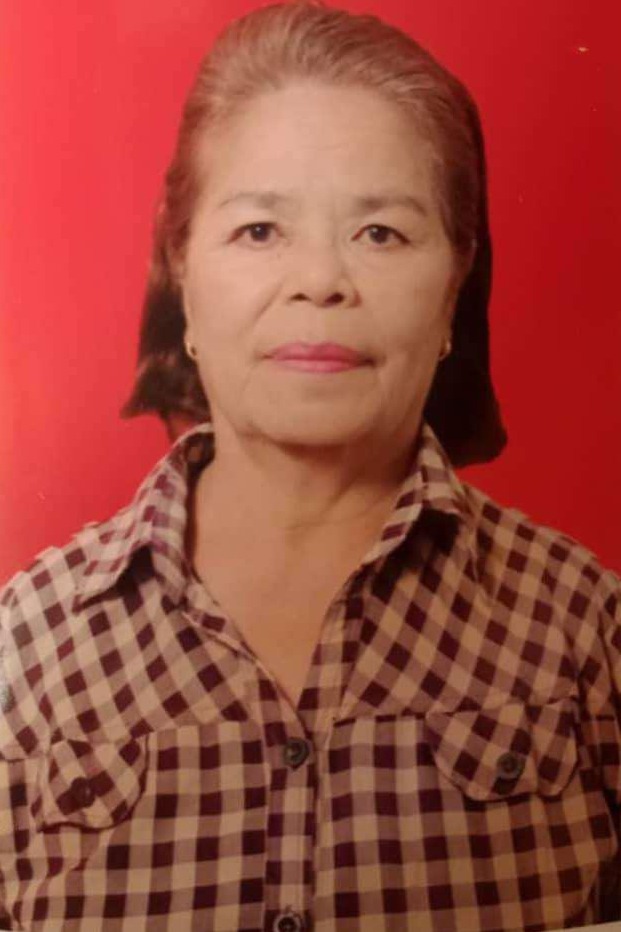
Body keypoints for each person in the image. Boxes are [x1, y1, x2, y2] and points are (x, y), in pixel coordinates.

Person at [0, 2, 619, 930]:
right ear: (183, 273)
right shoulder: (26, 651)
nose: (321, 280)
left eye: (380, 233)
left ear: (454, 288)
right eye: (260, 230)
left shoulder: (585, 633)